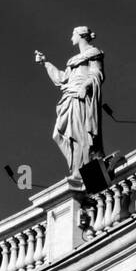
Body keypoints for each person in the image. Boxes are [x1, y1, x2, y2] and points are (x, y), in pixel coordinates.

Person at [35, 27, 105, 176]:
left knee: (80, 135)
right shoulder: (74, 60)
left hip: (80, 96)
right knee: (58, 134)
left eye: (73, 34)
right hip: (69, 96)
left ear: (80, 35)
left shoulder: (94, 53)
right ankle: (77, 166)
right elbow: (62, 79)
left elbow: (97, 74)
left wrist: (85, 87)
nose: (71, 38)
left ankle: (82, 170)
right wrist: (45, 63)